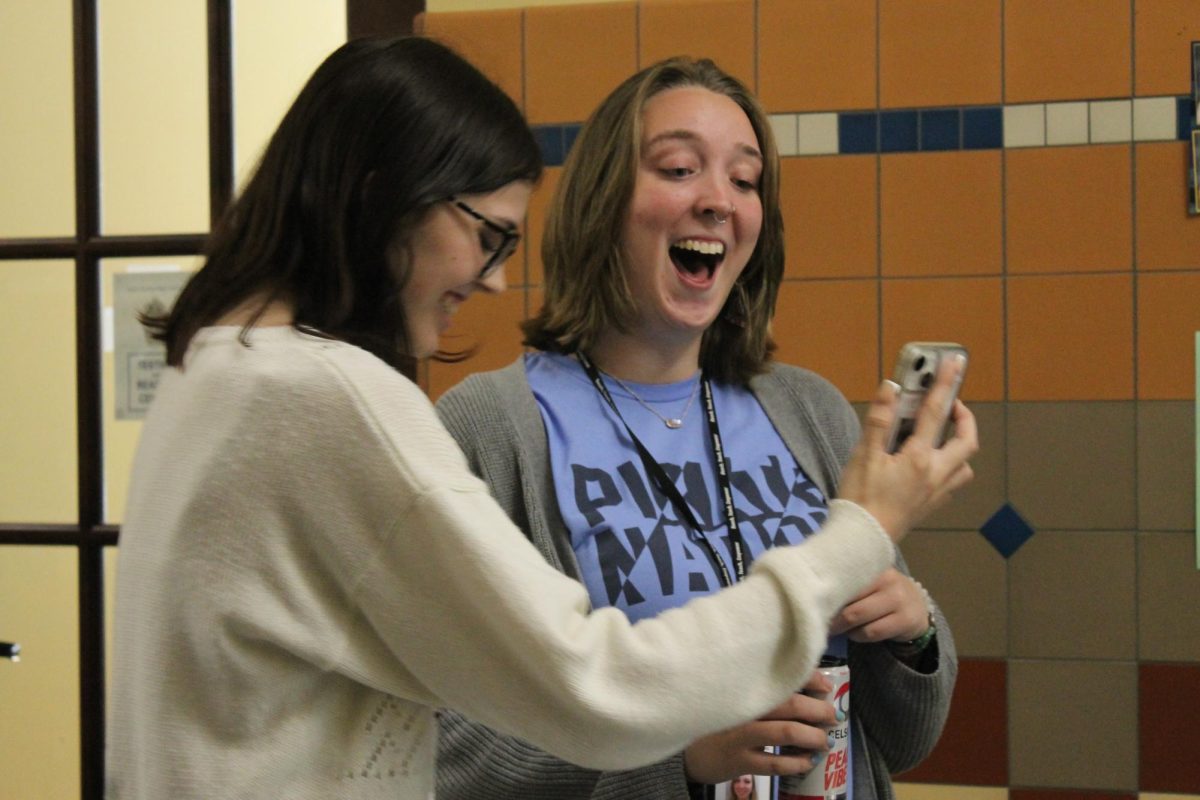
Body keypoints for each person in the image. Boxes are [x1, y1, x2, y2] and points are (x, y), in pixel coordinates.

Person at [105, 38, 975, 800]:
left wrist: (909, 627)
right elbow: (594, 688)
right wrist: (857, 534)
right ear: (383, 199)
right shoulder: (349, 403)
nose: (490, 279)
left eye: (745, 180)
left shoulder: (212, 367)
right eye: (487, 235)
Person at [434, 57, 965, 800]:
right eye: (680, 168)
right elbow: (446, 749)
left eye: (745, 180)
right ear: (604, 203)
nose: (719, 200)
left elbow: (903, 743)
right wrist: (676, 759)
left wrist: (913, 636)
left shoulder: (807, 410)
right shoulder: (492, 428)